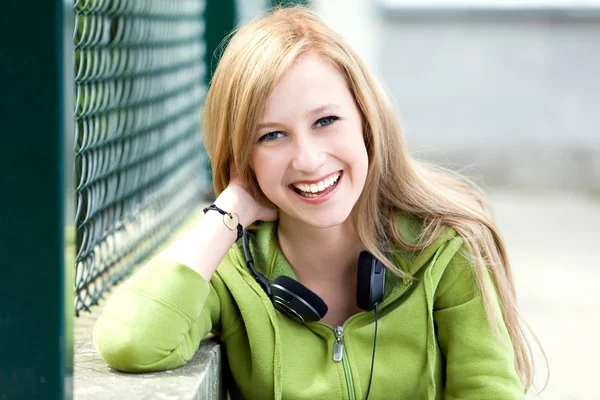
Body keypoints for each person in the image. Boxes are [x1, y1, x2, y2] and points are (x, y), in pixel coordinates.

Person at [93, 6, 537, 399]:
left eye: (325, 120)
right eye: (271, 135)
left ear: (366, 119)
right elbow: (132, 342)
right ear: (242, 155)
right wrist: (229, 211)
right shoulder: (230, 264)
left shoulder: (445, 247)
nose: (307, 159)